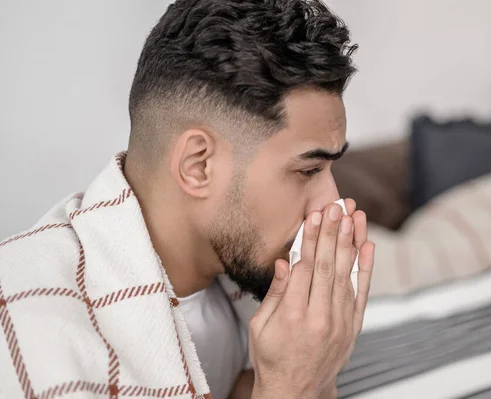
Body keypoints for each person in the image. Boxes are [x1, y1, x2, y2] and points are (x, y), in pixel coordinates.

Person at [0, 0, 375, 398]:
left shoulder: (239, 283)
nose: (333, 205)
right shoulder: (29, 339)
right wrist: (291, 386)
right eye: (308, 171)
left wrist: (314, 370)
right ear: (198, 166)